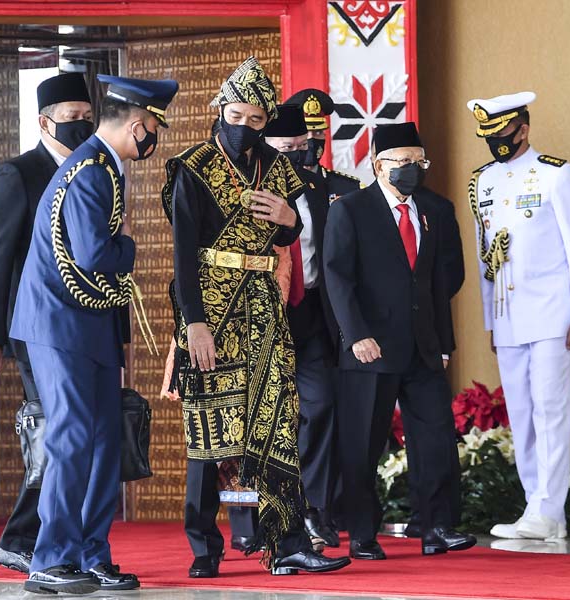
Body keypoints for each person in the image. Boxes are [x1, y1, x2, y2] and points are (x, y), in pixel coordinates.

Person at [163, 56, 350, 578]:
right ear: (220, 109)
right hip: (211, 309)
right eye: (237, 115)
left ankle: (286, 542)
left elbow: (287, 238)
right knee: (211, 426)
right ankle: (204, 544)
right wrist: (193, 322)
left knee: (276, 422)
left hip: (264, 306)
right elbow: (182, 256)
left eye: (257, 120)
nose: (245, 127)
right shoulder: (193, 166)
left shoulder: (279, 166)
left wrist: (292, 220)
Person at [10, 74, 177, 594]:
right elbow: (95, 256)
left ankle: (89, 553)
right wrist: (130, 249)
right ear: (137, 123)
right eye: (153, 127)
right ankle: (50, 558)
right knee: (72, 439)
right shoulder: (89, 173)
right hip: (59, 326)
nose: (154, 137)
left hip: (90, 324)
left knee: (105, 442)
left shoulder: (106, 166)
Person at [324, 121, 476, 560]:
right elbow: (338, 278)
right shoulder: (351, 209)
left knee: (436, 438)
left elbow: (441, 282)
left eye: (418, 162)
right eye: (403, 162)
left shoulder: (434, 209)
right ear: (378, 164)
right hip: (370, 346)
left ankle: (437, 527)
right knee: (363, 443)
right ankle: (362, 533)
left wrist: (444, 342)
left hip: (424, 346)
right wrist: (356, 335)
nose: (412, 169)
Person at [466, 92, 570, 540]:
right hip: (509, 317)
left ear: (523, 128)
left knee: (550, 410)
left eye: (502, 132)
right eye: (488, 136)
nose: (495, 142)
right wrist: (490, 321)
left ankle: (550, 509)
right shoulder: (481, 182)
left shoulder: (557, 175)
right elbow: (487, 260)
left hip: (553, 312)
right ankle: (535, 506)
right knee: (521, 413)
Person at [0, 73, 93, 575]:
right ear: (44, 122)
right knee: (56, 429)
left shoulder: (91, 171)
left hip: (82, 326)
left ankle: (43, 535)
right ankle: (22, 537)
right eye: (71, 120)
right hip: (30, 326)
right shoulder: (18, 174)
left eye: (87, 119)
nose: (81, 126)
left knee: (72, 432)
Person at [265, 104, 341, 549]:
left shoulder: (316, 188)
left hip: (310, 312)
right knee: (265, 416)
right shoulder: (247, 187)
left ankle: (313, 507)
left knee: (320, 404)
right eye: (285, 149)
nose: (296, 155)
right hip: (265, 316)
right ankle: (262, 517)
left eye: (301, 148)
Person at [284, 88, 361, 201]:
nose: (311, 139)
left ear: (325, 136)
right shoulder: (276, 183)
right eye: (305, 133)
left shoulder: (348, 188)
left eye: (318, 132)